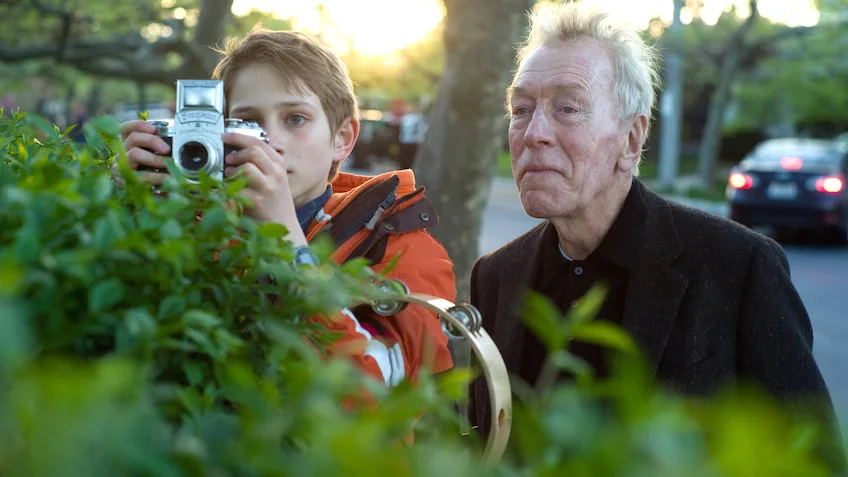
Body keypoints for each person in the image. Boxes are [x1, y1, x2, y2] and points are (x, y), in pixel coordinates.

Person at [467, 2, 845, 469]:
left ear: (631, 140)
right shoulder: (495, 276)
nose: (533, 133)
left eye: (567, 108)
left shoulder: (740, 267)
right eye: (521, 109)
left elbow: (812, 459)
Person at [113, 28, 455, 410]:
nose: (271, 142)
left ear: (342, 138)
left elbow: (373, 401)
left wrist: (287, 246)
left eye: (295, 118)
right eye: (247, 122)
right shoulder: (201, 229)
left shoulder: (404, 248)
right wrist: (132, 212)